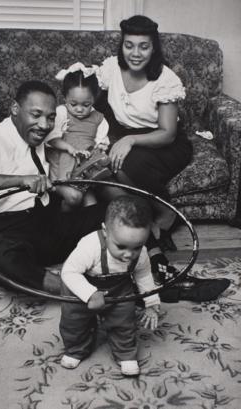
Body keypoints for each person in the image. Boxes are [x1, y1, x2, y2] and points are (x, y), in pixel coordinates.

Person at [92, 14, 230, 300]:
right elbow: (98, 110)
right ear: (122, 46)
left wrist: (129, 140)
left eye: (143, 46)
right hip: (126, 138)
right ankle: (159, 261)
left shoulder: (165, 78)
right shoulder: (111, 70)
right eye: (129, 45)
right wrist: (103, 141)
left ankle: (164, 214)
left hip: (164, 143)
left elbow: (167, 133)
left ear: (154, 48)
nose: (136, 53)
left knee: (127, 165)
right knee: (102, 177)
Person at [0, 80, 107, 291]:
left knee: (114, 212)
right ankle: (73, 290)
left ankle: (151, 260)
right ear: (15, 109)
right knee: (6, 262)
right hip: (0, 229)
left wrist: (61, 188)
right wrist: (20, 180)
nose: (44, 125)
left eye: (50, 118)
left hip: (43, 222)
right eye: (36, 114)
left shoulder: (39, 136)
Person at [60, 195, 160, 376]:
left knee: (124, 321)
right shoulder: (90, 246)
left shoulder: (141, 254)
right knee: (74, 321)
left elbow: (143, 274)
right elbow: (69, 272)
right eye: (121, 246)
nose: (129, 255)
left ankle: (125, 353)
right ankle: (76, 349)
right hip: (82, 285)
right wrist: (90, 294)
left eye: (136, 247)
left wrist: (151, 303)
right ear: (105, 231)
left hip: (118, 288)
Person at [46, 63, 110, 211]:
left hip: (83, 167)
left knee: (91, 204)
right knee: (74, 199)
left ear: (94, 98)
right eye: (73, 104)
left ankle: (85, 231)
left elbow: (100, 143)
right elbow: (51, 140)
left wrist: (99, 149)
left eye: (86, 104)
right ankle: (63, 221)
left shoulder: (99, 118)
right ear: (65, 98)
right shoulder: (61, 113)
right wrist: (70, 148)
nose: (79, 109)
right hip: (62, 164)